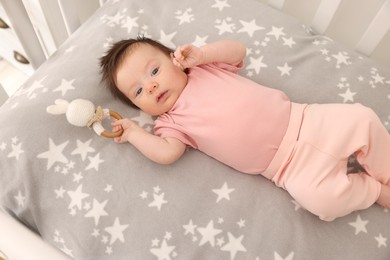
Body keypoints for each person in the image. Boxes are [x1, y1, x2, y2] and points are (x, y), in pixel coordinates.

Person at [100, 36, 390, 221]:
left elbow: (238, 50)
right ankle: (372, 190)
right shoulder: (170, 123)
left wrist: (202, 54)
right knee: (323, 202)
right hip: (288, 169)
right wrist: (135, 134)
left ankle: (385, 170)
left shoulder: (202, 69)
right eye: (138, 92)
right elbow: (166, 154)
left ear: (175, 60)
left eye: (154, 71)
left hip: (307, 120)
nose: (151, 86)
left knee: (362, 119)